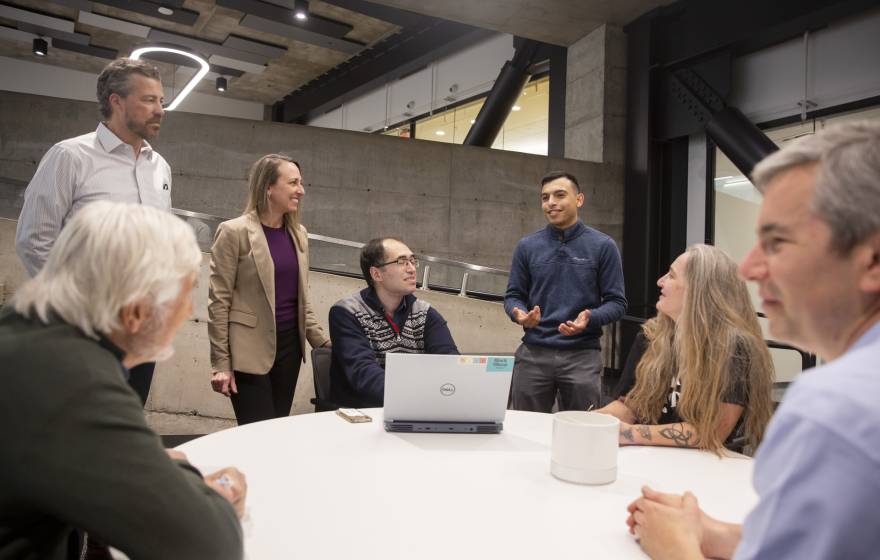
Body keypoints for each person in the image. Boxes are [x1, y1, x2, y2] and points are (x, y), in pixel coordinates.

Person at [626, 120, 880, 560]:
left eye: (778, 242)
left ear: (871, 259)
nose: (749, 270)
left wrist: (677, 549)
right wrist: (709, 531)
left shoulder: (839, 409)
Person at [0, 201, 246, 560]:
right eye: (186, 294)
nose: (188, 311)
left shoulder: (22, 326)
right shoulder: (76, 386)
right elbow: (209, 543)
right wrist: (202, 482)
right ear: (136, 312)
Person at [15, 57, 172, 405]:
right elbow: (34, 240)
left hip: (142, 327)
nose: (160, 109)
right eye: (148, 100)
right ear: (116, 101)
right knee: (76, 428)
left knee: (127, 422)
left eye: (161, 100)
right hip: (85, 327)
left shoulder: (160, 167)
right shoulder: (70, 156)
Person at [597, 244, 774, 454]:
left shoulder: (734, 348)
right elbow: (629, 407)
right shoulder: (650, 337)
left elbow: (712, 431)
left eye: (671, 276)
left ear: (699, 290)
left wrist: (631, 434)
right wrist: (589, 420)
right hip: (647, 456)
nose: (660, 281)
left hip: (699, 466)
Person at [208, 154, 330, 425]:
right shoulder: (233, 232)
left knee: (275, 430)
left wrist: (322, 342)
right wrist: (220, 364)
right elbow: (219, 302)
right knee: (255, 431)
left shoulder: (299, 233)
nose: (301, 190)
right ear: (268, 187)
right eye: (293, 182)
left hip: (289, 349)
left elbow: (301, 299)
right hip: (248, 350)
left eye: (301, 182)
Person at [504, 171, 627, 412]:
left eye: (559, 195)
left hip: (582, 355)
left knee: (582, 429)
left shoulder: (603, 246)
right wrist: (519, 314)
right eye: (545, 197)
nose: (551, 202)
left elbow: (617, 303)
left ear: (579, 199)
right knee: (525, 430)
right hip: (533, 353)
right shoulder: (527, 246)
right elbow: (513, 296)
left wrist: (590, 318)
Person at [328, 237, 459, 408]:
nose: (412, 269)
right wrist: (421, 397)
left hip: (413, 410)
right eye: (401, 262)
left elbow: (451, 364)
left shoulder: (425, 313)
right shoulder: (347, 312)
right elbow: (364, 375)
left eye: (412, 261)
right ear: (376, 274)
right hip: (362, 415)